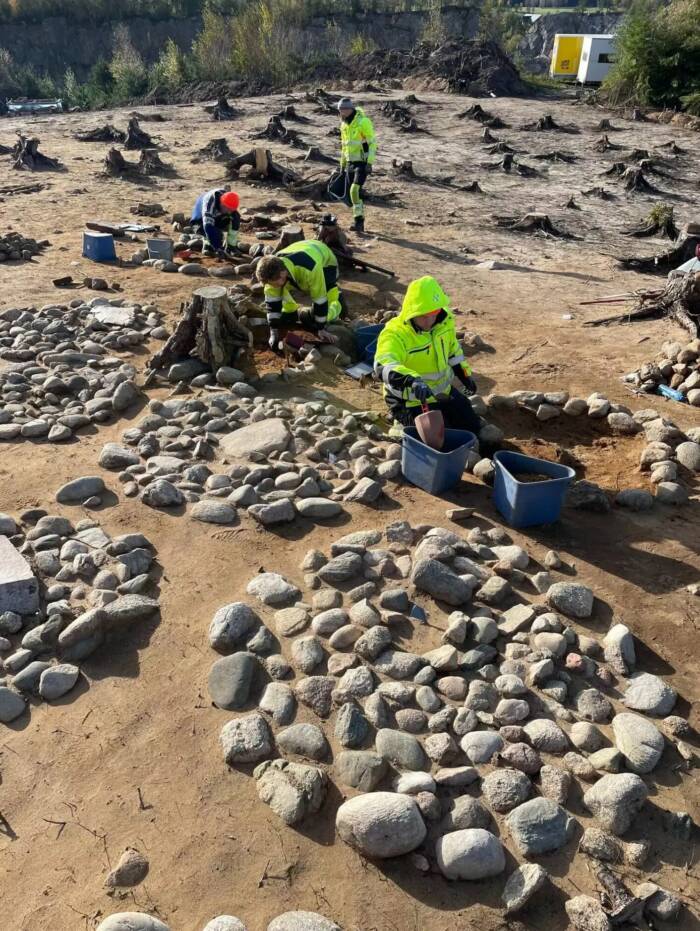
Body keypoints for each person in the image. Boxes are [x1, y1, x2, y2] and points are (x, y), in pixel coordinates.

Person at [374, 275, 481, 432]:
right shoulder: (394, 333)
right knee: (440, 440)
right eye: (424, 316)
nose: (430, 321)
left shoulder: (444, 321)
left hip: (442, 391)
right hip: (409, 399)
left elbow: (454, 351)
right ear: (412, 311)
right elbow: (382, 365)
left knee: (472, 427)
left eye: (434, 314)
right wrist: (412, 380)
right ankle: (400, 425)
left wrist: (464, 375)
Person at [256, 239, 345, 351]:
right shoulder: (272, 272)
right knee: (279, 290)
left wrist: (321, 328)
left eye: (276, 283)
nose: (274, 286)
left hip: (326, 262)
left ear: (283, 274)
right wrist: (273, 331)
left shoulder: (310, 268)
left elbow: (319, 299)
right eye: (271, 284)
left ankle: (338, 305)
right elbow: (272, 302)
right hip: (304, 249)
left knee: (322, 313)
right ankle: (291, 311)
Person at [338, 97, 376, 234]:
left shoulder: (363, 122)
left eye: (345, 109)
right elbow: (343, 146)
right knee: (352, 194)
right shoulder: (343, 125)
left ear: (351, 109)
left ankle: (359, 222)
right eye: (341, 109)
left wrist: (370, 162)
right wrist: (342, 164)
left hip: (362, 163)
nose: (343, 112)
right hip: (350, 163)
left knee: (354, 191)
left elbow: (372, 143)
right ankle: (357, 219)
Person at [190, 188, 241, 256]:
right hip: (199, 218)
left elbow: (233, 215)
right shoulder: (209, 203)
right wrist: (218, 247)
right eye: (228, 209)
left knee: (235, 218)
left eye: (231, 210)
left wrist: (231, 245)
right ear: (222, 204)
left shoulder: (228, 203)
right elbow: (208, 226)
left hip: (216, 213)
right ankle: (208, 246)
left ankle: (231, 247)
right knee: (213, 232)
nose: (229, 212)